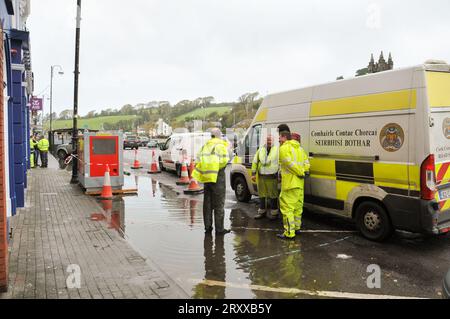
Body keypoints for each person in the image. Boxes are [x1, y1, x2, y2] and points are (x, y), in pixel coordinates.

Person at [192, 128, 231, 235]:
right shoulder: (221, 146)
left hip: (206, 178)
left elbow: (198, 160)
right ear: (219, 136)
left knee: (207, 204)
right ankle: (219, 229)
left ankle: (208, 227)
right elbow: (224, 161)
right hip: (218, 177)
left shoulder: (205, 146)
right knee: (219, 204)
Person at [277, 125, 308, 240]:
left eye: (280, 137)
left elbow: (288, 163)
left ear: (284, 137)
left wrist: (300, 172)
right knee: (297, 208)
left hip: (290, 184)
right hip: (299, 184)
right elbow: (307, 163)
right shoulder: (300, 149)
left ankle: (289, 233)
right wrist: (303, 172)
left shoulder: (284, 148)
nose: (278, 139)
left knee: (287, 208)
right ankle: (296, 228)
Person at [251, 135, 279, 220]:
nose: (269, 142)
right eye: (267, 140)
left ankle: (274, 214)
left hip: (272, 177)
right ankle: (262, 212)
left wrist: (280, 175)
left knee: (273, 195)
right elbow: (255, 161)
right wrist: (253, 173)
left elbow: (280, 163)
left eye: (270, 140)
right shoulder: (261, 150)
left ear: (273, 141)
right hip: (262, 176)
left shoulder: (277, 150)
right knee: (262, 195)